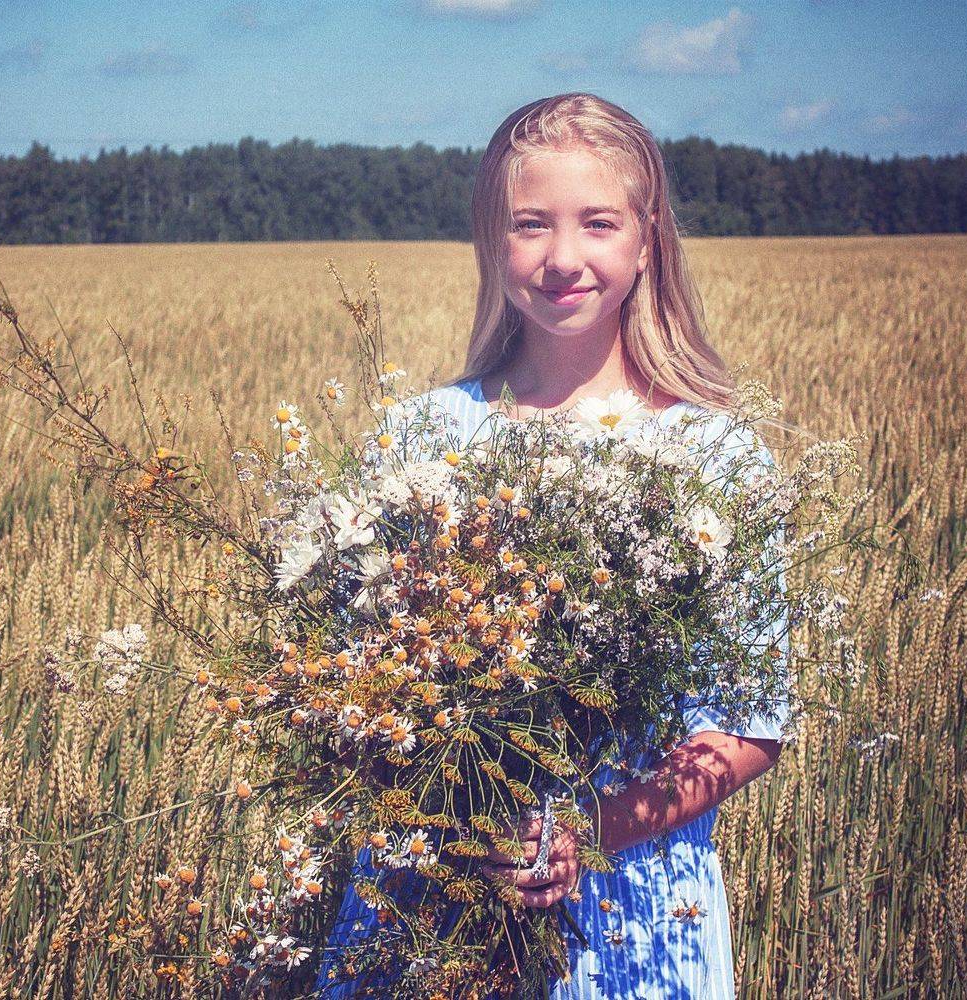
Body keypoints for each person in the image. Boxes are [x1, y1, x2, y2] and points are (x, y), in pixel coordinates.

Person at [316, 93, 792, 999]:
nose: (563, 257)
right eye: (531, 224)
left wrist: (584, 829)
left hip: (637, 911)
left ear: (648, 240)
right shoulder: (419, 440)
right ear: (492, 242)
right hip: (430, 897)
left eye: (598, 223)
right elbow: (349, 693)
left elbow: (749, 721)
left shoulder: (718, 456)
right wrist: (468, 823)